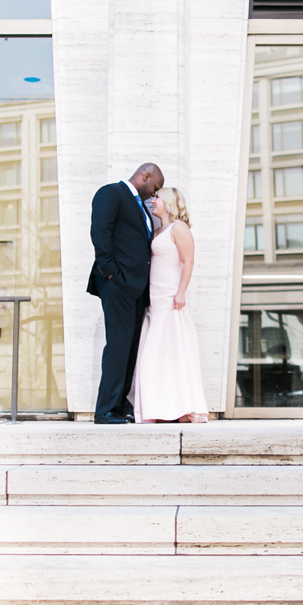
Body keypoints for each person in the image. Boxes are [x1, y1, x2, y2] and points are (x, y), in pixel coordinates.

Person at [87, 163, 164, 424]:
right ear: (145, 175)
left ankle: (120, 405)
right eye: (155, 188)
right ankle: (104, 410)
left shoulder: (140, 206)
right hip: (118, 284)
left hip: (136, 289)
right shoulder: (111, 193)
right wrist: (111, 273)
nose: (154, 195)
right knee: (118, 345)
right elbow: (100, 233)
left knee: (130, 348)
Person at [130, 187, 209, 423]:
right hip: (155, 300)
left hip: (171, 299)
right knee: (157, 356)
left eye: (156, 198)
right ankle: (160, 409)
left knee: (175, 353)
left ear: (168, 202)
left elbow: (188, 261)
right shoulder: (158, 231)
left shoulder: (179, 228)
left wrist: (181, 292)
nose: (152, 201)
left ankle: (183, 407)